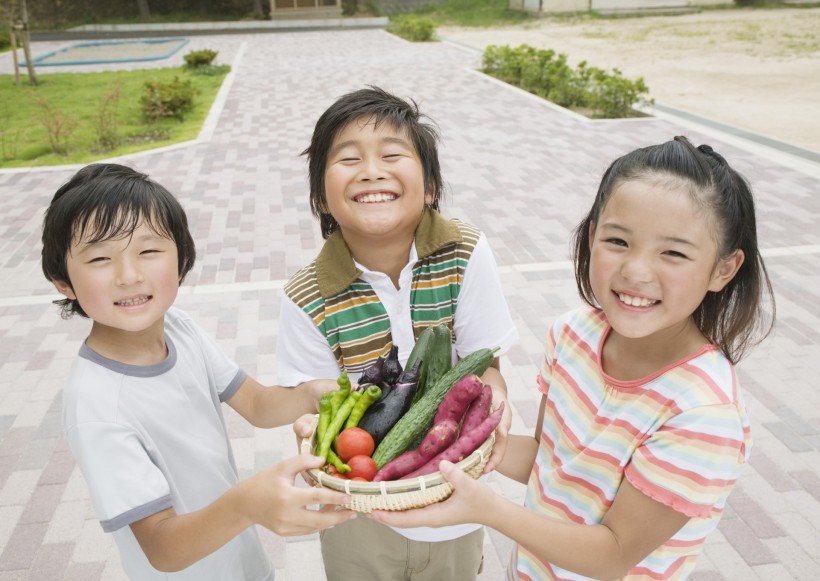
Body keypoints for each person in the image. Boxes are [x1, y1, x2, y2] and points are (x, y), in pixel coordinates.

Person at [371, 136, 776, 580]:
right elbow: (547, 459)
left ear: (723, 268)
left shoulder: (704, 414)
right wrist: (463, 445)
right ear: (590, 236)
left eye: (674, 253)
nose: (636, 271)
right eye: (618, 241)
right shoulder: (574, 333)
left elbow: (612, 555)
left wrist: (487, 509)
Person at [41, 163, 356, 581]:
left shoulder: (179, 328)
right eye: (100, 258)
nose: (129, 276)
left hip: (243, 564)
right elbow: (163, 548)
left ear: (181, 259)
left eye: (148, 251)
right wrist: (247, 505)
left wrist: (310, 394)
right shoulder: (96, 405)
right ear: (63, 281)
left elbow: (258, 406)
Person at [277, 86, 519, 580]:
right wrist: (309, 430)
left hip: (452, 494)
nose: (371, 170)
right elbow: (318, 410)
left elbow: (486, 366)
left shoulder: (465, 251)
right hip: (355, 512)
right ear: (320, 197)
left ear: (430, 186)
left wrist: (495, 407)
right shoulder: (304, 294)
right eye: (348, 159)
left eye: (392, 155)